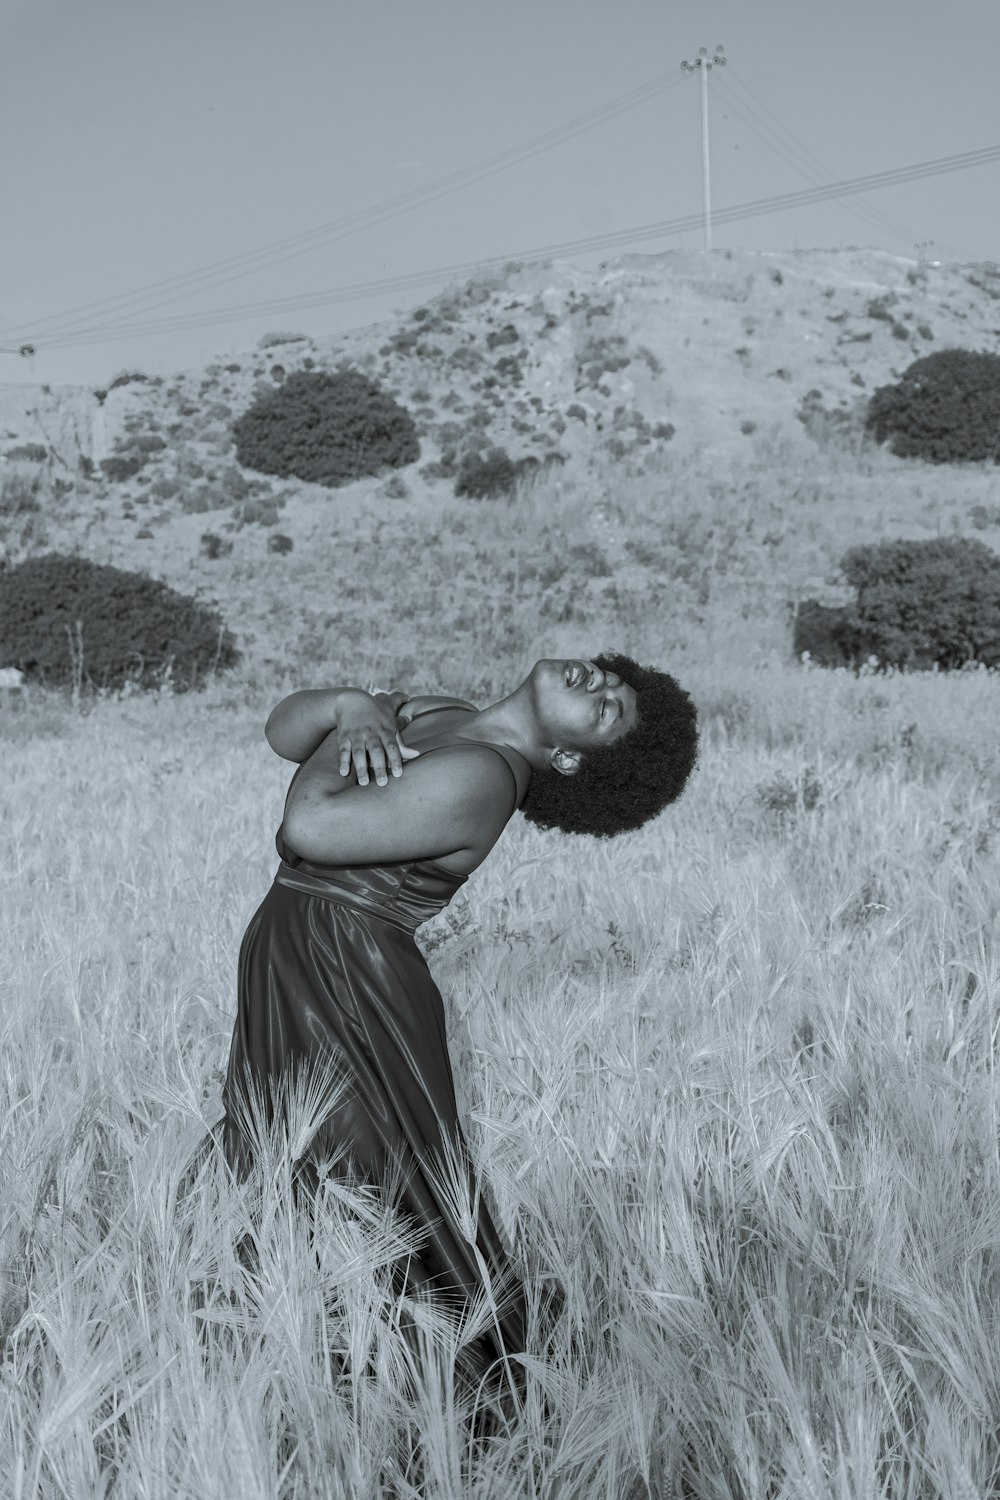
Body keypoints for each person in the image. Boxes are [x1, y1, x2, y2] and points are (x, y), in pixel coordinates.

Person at [217, 649, 699, 1425]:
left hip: (349, 975)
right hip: (302, 949)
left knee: (364, 1175)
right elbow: (282, 729)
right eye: (613, 680)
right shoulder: (444, 712)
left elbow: (308, 827)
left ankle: (424, 1396)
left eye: (608, 711)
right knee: (289, 1158)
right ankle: (310, 1367)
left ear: (570, 757)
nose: (601, 687)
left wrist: (352, 720)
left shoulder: (486, 775)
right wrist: (346, 697)